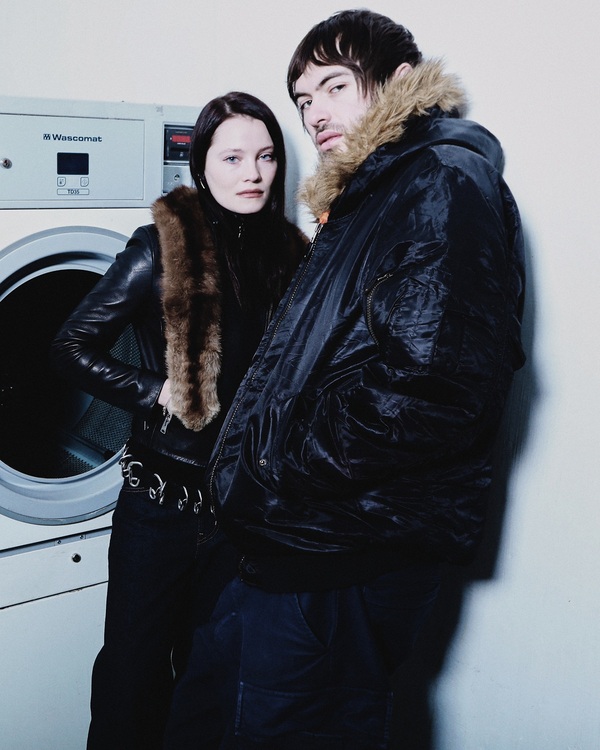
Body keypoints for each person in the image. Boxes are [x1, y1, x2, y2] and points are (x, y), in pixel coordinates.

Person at [164, 9, 526, 749]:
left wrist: (275, 461)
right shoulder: (372, 192)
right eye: (304, 99)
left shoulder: (440, 182)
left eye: (334, 86)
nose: (316, 113)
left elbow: (434, 389)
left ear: (399, 81)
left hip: (343, 548)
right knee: (211, 713)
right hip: (299, 540)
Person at [51, 91, 305, 750]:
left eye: (267, 157)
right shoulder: (161, 248)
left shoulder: (289, 253)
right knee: (131, 680)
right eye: (233, 158)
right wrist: (155, 390)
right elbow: (69, 346)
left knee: (212, 680)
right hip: (159, 508)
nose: (253, 173)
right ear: (202, 165)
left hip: (239, 509)